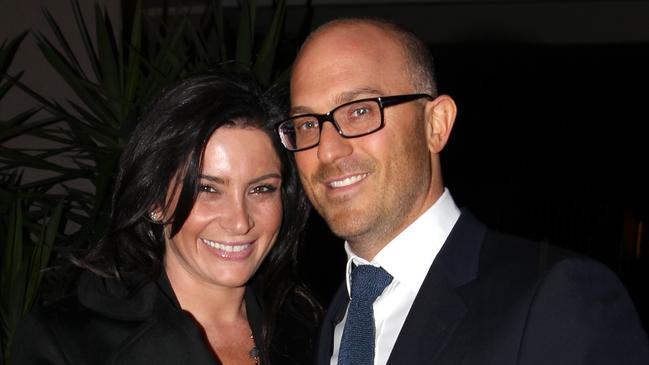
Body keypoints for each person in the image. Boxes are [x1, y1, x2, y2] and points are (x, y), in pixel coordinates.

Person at [275, 17, 649, 365]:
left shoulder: (556, 299)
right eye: (307, 123)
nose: (326, 150)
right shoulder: (329, 321)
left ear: (436, 125)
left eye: (359, 111)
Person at [11, 71, 319, 365]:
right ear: (156, 201)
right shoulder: (67, 344)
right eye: (207, 189)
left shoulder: (313, 328)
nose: (239, 222)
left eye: (261, 189)